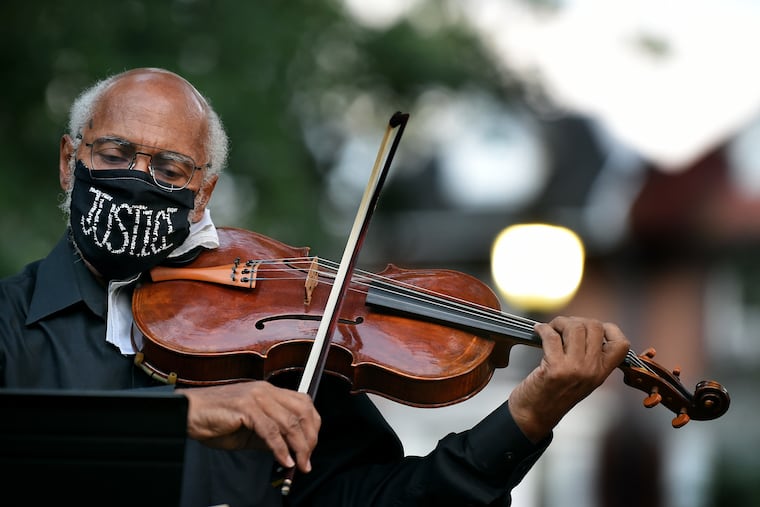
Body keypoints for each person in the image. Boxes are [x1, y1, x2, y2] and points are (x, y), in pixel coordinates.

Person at [0, 67, 630, 506]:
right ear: (69, 161)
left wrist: (524, 419)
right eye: (114, 154)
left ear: (203, 196)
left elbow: (387, 501)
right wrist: (179, 416)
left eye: (170, 168)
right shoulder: (7, 324)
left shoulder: (281, 347)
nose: (138, 180)